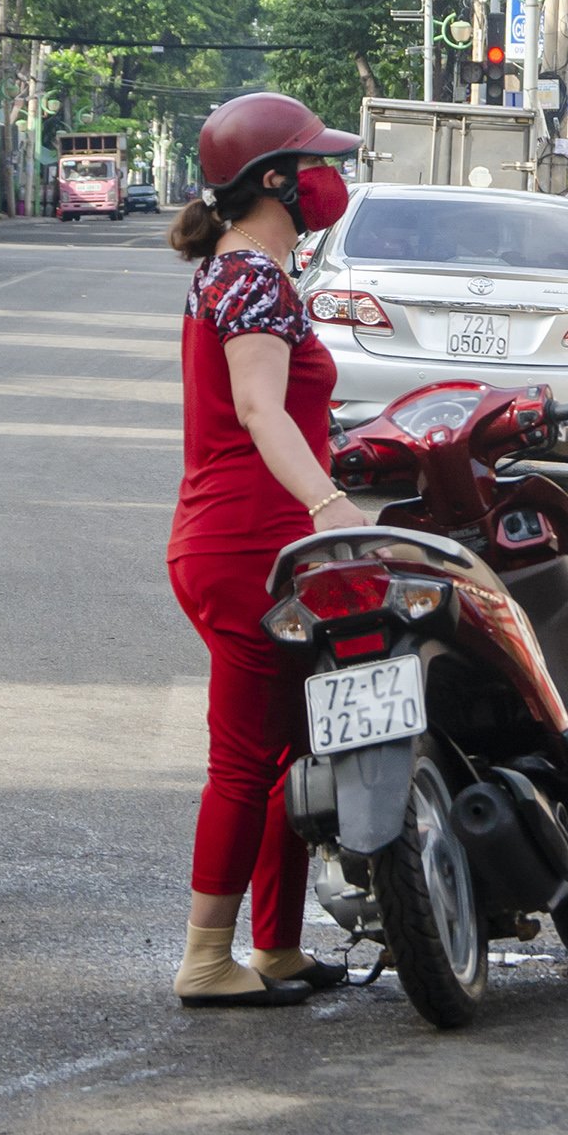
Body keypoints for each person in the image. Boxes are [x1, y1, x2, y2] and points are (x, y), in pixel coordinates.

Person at [167, 90, 366, 1008]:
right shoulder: (249, 277)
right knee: (248, 759)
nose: (332, 178)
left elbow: (291, 410)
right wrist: (326, 501)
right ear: (275, 181)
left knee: (295, 747)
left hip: (247, 533)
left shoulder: (244, 271)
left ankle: (277, 947)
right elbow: (258, 410)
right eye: (317, 163)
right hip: (250, 541)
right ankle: (207, 960)